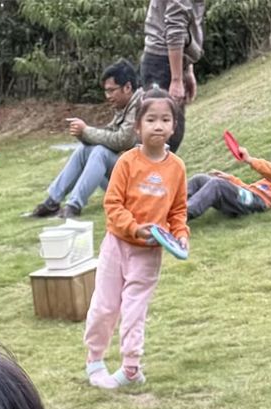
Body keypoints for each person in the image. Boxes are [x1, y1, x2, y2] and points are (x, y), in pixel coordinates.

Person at [85, 88, 188, 391]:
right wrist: (133, 227)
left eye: (166, 119)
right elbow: (112, 204)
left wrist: (181, 236)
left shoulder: (177, 168)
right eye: (151, 119)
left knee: (133, 310)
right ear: (138, 126)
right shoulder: (127, 162)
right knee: (104, 306)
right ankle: (94, 360)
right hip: (116, 245)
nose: (158, 126)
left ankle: (131, 368)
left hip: (149, 253)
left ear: (174, 126)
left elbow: (178, 211)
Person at [26, 61, 140, 220]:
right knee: (84, 151)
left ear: (127, 87)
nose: (107, 96)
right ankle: (52, 202)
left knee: (100, 153)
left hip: (138, 181)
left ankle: (74, 206)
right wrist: (83, 134)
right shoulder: (125, 106)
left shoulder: (140, 105)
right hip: (124, 173)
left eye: (111, 90)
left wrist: (86, 131)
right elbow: (110, 137)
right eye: (106, 91)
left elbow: (123, 141)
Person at [140, 0, 205, 152]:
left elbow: (185, 25)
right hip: (161, 63)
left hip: (168, 61)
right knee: (161, 135)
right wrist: (176, 79)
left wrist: (187, 69)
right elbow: (175, 29)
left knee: (171, 133)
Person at [186, 143, 271, 221]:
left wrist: (250, 160)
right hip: (250, 197)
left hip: (259, 202)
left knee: (217, 184)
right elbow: (248, 190)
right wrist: (230, 180)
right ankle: (175, 202)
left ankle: (185, 212)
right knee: (200, 179)